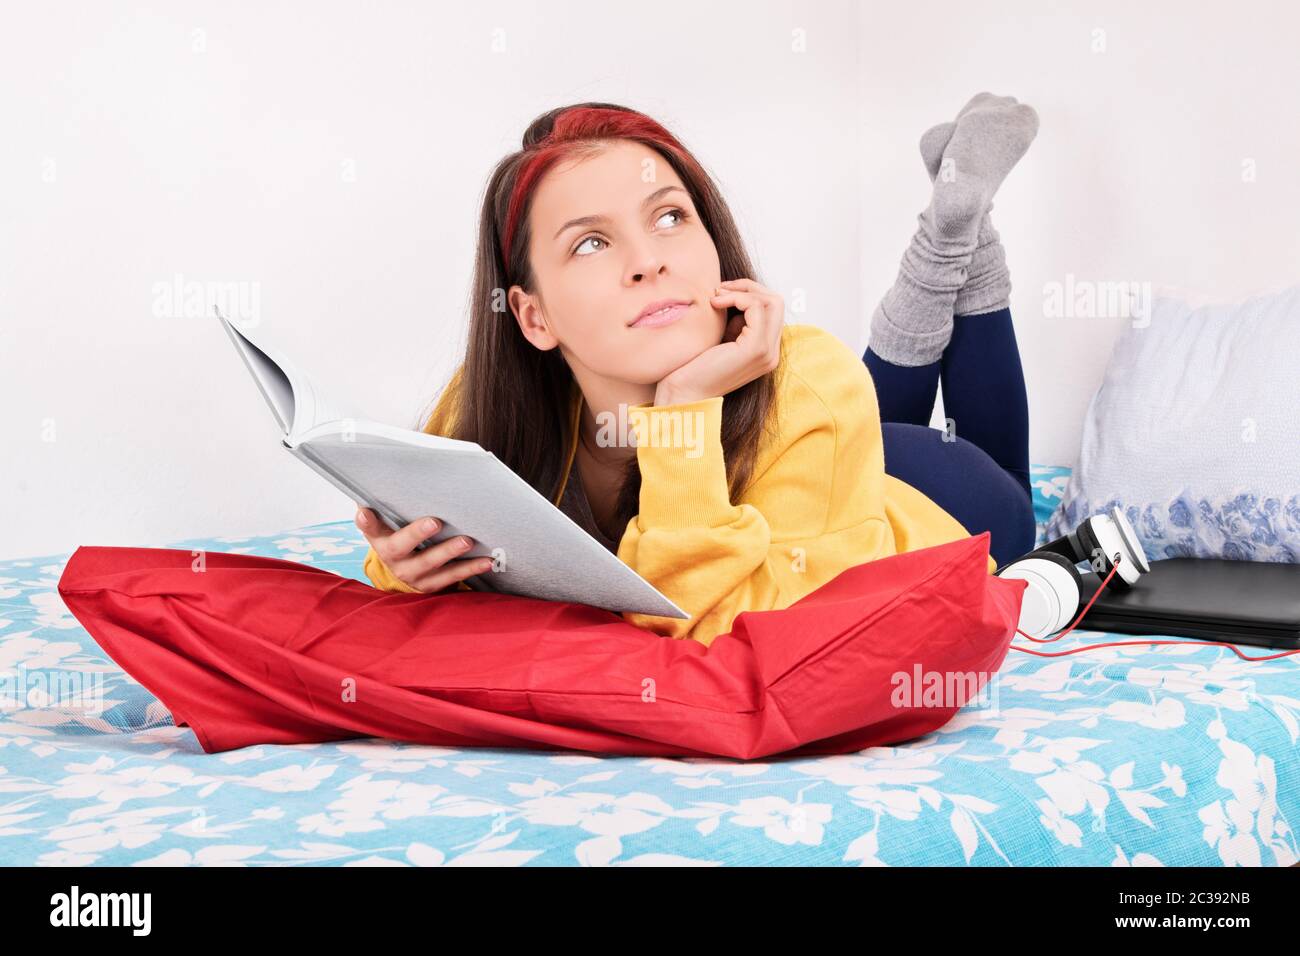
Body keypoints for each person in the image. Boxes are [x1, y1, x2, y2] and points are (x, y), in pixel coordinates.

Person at [358, 97, 1039, 648]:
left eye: (670, 217)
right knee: (840, 407)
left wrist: (682, 408)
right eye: (592, 242)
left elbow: (723, 625)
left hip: (936, 494)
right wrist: (406, 568)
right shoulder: (488, 405)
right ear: (533, 318)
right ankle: (956, 225)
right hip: (822, 462)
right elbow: (424, 552)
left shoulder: (812, 384)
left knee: (1011, 489)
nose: (648, 261)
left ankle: (953, 235)